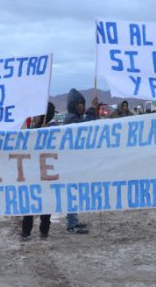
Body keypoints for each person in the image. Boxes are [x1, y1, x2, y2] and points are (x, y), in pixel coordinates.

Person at [62, 88, 98, 234]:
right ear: (73, 105)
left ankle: (74, 221)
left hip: (73, 163)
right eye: (79, 104)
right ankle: (71, 225)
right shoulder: (71, 119)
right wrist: (92, 110)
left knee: (74, 193)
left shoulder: (72, 117)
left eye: (83, 104)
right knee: (71, 193)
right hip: (70, 164)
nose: (81, 106)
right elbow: (85, 128)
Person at [21, 102, 56, 240]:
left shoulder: (53, 129)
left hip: (47, 174)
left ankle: (44, 230)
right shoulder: (32, 129)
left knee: (46, 204)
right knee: (29, 203)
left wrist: (47, 135)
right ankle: (26, 231)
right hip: (32, 173)